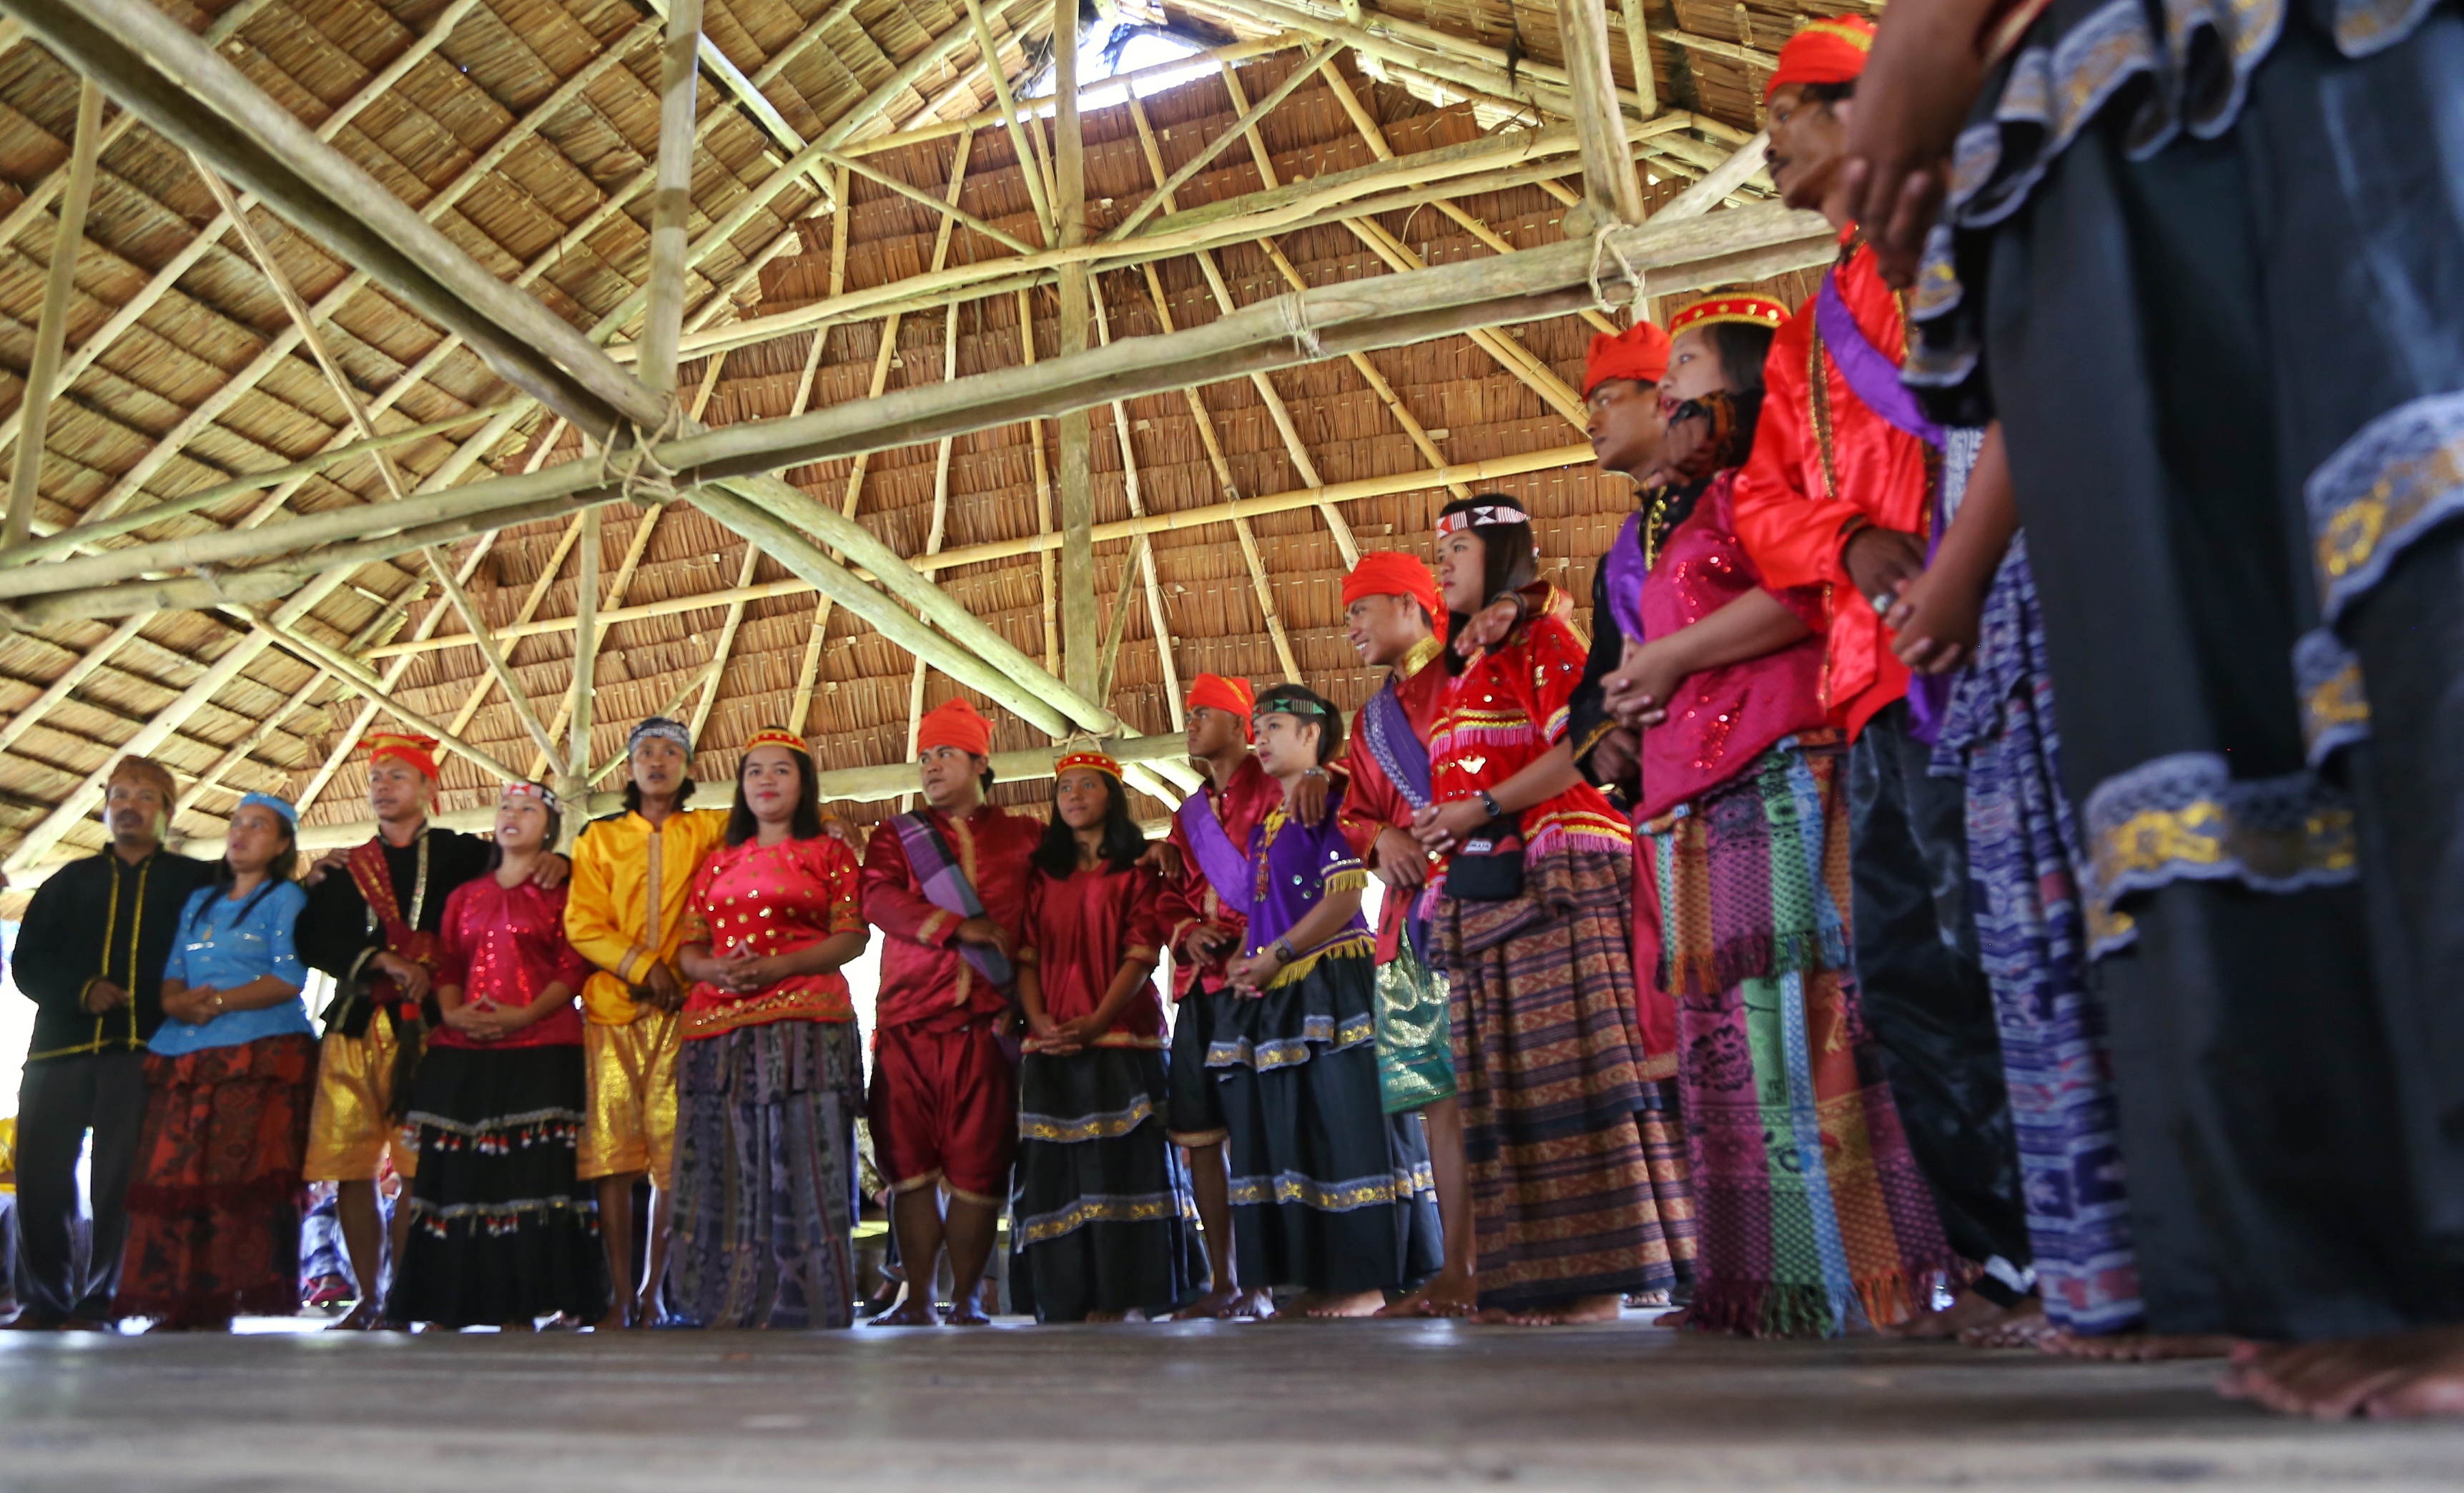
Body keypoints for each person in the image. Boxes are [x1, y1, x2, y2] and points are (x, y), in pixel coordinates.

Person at [1838, 0, 2464, 1407]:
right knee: (2220, 674)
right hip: (2081, 107)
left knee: (2407, 547)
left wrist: (1934, 33)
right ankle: (2384, 1255)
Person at [1725, 17, 2036, 1339]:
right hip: (1875, 679)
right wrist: (1850, 539)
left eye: (1783, 115)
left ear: (1862, 104)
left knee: (2022, 943)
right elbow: (1761, 500)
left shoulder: (1970, 228)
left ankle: (2104, 1246)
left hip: (2016, 629)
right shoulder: (1803, 338)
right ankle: (2011, 1254)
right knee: (1912, 977)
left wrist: (1951, 561)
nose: (1766, 145)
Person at [1588, 315, 1956, 1336]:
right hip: (1696, 797)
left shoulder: (1767, 492)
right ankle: (1774, 1279)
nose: (1668, 396)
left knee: (1820, 1029)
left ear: (1751, 391)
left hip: (1782, 766)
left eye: (1686, 375)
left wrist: (1669, 660)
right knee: (1735, 1053)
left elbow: (1806, 599)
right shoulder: (1685, 512)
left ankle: (1880, 1276)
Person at [1883, 426, 2144, 1346]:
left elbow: (2030, 397)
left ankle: (2171, 1269)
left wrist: (1954, 571)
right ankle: (2086, 1268)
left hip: (2069, 594)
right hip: (2000, 631)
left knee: (2119, 936)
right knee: (2033, 964)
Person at [1411, 496, 1687, 1324]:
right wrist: (1451, 822)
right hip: (1490, 892)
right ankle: (1531, 1279)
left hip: (1559, 879)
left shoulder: (1547, 639)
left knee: (1572, 1082)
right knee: (1508, 1090)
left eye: (1458, 549)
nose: (1444, 566)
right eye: (1441, 552)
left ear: (1501, 555)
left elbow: (1583, 754)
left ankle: (1596, 1286)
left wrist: (1480, 809)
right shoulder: (1464, 666)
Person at [1212, 684, 1439, 1316]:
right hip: (1279, 991)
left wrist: (1276, 954)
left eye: (1276, 725)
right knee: (1293, 1138)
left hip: (1332, 982)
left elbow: (1342, 902)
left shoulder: (1331, 800)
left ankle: (1364, 1283)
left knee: (1345, 1131)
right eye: (1256, 726)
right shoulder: (1268, 824)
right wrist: (1245, 959)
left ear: (1313, 734)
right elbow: (1266, 911)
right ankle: (1318, 1279)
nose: (1259, 737)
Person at [8, 756, 217, 1330]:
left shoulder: (195, 883)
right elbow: (27, 964)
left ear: (167, 812)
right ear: (106, 809)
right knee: (41, 1180)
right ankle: (43, 1301)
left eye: (144, 796)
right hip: (57, 1053)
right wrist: (79, 991)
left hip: (148, 1052)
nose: (129, 806)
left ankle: (106, 1300)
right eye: (119, 795)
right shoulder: (67, 882)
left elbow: (222, 952)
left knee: (123, 1184)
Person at [670, 729, 870, 1329]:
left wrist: (780, 965)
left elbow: (854, 935)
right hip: (717, 1032)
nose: (765, 781)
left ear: (804, 783)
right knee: (722, 1168)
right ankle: (719, 1304)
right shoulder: (716, 861)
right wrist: (713, 969)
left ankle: (805, 1305)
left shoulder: (830, 853)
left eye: (780, 771)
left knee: (805, 1162)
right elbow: (688, 947)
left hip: (805, 1027)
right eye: (754, 771)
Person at [388, 782, 606, 1330]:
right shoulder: (464, 894)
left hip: (541, 1045)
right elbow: (449, 962)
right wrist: (453, 1011)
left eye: (528, 810)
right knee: (454, 1176)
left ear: (549, 828)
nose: (512, 817)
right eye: (506, 808)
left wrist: (525, 1015)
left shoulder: (563, 892)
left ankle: (521, 1307)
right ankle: (445, 1306)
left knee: (530, 1179)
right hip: (462, 1047)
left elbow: (572, 966)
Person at [1331, 553, 1484, 1319]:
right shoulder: (1367, 721)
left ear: (1408, 603)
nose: (1349, 626)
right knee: (1437, 1102)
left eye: (1360, 609)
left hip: (1483, 903)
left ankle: (1520, 1262)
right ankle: (1457, 1267)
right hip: (1403, 921)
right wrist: (1378, 839)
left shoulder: (1472, 670)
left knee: (1500, 1087)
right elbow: (1353, 811)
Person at [295, 733, 491, 1329]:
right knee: (352, 1166)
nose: (383, 787)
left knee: (418, 1167)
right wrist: (381, 960)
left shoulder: (464, 856)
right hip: (355, 1026)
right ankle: (372, 1299)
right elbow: (313, 940)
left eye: (398, 777)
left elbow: (511, 880)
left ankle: (411, 1296)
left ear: (431, 788)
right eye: (376, 778)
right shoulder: (343, 869)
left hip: (430, 1031)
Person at [862, 698, 1040, 1326]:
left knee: (977, 1168)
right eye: (925, 756)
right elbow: (877, 899)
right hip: (907, 1026)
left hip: (985, 1026)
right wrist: (960, 928)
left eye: (945, 753)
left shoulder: (1024, 838)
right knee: (907, 1171)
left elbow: (1073, 882)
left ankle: (964, 1300)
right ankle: (916, 1301)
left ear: (980, 761)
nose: (931, 766)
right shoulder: (895, 836)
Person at [107, 793, 315, 1331]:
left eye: (257, 827)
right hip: (185, 1054)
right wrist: (177, 1002)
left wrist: (219, 1002)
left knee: (236, 1176)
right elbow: (174, 970)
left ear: (282, 844)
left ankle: (223, 1301)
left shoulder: (285, 898)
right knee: (175, 1176)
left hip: (259, 1051)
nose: (241, 835)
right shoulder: (200, 901)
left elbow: (289, 977)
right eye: (236, 824)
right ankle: (180, 1302)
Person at [1008, 749, 1202, 1322]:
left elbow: (1140, 955)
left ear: (1111, 797)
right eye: (1064, 787)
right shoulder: (1044, 873)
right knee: (1059, 1175)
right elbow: (1026, 954)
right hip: (1051, 1043)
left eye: (1086, 786)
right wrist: (1039, 1020)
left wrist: (1095, 1023)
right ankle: (1065, 1298)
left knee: (1125, 1168)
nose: (1072, 796)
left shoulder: (1137, 867)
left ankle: (1128, 1300)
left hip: (1121, 1038)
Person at [564, 716, 731, 1329]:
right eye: (645, 752)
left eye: (670, 752)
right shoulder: (597, 840)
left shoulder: (710, 829)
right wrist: (641, 968)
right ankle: (615, 1293)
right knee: (612, 1160)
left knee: (672, 1160)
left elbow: (776, 829)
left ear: (688, 768)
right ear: (628, 767)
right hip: (611, 1012)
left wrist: (831, 823)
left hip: (683, 1017)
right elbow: (582, 923)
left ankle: (654, 1292)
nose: (657, 761)